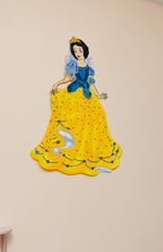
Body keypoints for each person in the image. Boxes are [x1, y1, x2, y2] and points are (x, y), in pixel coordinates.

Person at [30, 37, 122, 175]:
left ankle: (90, 151)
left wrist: (99, 95)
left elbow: (91, 83)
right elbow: (67, 79)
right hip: (75, 92)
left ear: (84, 50)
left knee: (97, 117)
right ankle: (67, 147)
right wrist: (56, 84)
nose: (78, 53)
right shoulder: (73, 65)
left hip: (88, 94)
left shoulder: (89, 66)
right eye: (75, 51)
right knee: (74, 118)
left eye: (79, 50)